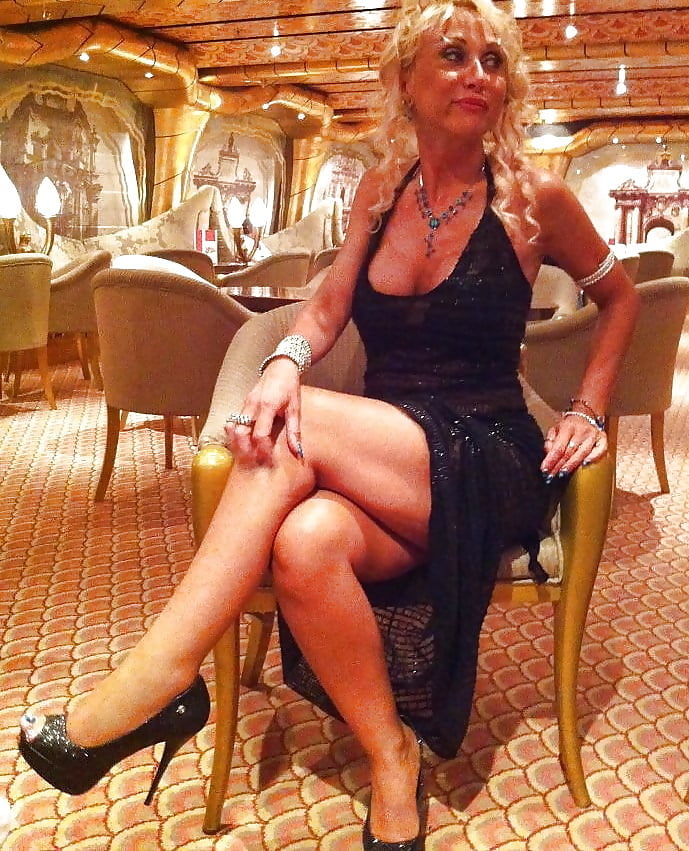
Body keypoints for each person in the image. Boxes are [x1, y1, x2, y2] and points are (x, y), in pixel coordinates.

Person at [18, 1, 639, 848]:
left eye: (493, 61)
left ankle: (161, 673)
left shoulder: (535, 198)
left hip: (487, 453)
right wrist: (283, 359)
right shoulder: (380, 193)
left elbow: (620, 298)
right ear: (405, 81)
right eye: (453, 55)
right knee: (303, 541)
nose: (476, 75)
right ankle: (391, 756)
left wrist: (588, 406)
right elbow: (328, 304)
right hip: (390, 449)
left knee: (293, 418)